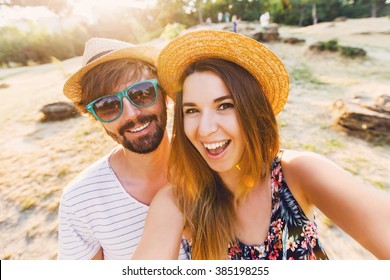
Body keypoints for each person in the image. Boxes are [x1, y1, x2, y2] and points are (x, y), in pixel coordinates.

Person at [132, 30, 390, 260]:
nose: (205, 128)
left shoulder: (297, 174)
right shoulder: (179, 201)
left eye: (225, 105)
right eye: (192, 110)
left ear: (251, 110)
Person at [58, 38, 189, 260]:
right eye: (107, 106)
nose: (131, 114)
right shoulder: (80, 202)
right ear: (96, 118)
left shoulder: (210, 160)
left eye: (142, 93)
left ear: (165, 94)